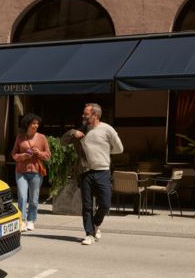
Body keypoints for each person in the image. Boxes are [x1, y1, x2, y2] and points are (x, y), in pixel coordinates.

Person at [62, 103, 123, 245]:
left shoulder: (107, 129)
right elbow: (63, 142)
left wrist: (104, 153)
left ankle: (95, 224)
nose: (83, 116)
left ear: (95, 115)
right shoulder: (82, 130)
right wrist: (72, 132)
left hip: (103, 171)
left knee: (106, 204)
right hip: (86, 172)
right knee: (87, 205)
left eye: (86, 114)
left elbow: (119, 148)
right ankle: (89, 234)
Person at [11, 113, 51, 232]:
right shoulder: (20, 137)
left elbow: (48, 155)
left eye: (37, 123)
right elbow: (13, 154)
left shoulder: (42, 138)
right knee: (22, 196)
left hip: (36, 172)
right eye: (33, 123)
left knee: (33, 198)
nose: (36, 125)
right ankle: (22, 220)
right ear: (27, 124)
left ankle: (31, 220)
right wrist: (22, 156)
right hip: (21, 171)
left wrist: (39, 153)